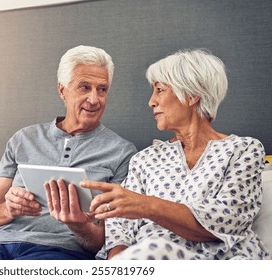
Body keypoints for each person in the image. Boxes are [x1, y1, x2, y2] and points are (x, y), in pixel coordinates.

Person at [0, 45, 137, 260]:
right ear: (62, 89)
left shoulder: (122, 152)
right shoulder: (23, 139)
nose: (94, 99)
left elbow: (105, 239)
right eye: (84, 87)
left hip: (60, 251)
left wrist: (78, 224)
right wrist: (9, 209)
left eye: (102, 89)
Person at [81, 49, 270, 260]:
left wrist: (146, 205)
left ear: (191, 95)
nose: (151, 102)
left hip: (222, 262)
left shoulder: (243, 150)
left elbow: (227, 219)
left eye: (160, 90)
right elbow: (120, 228)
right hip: (147, 263)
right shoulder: (145, 159)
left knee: (154, 250)